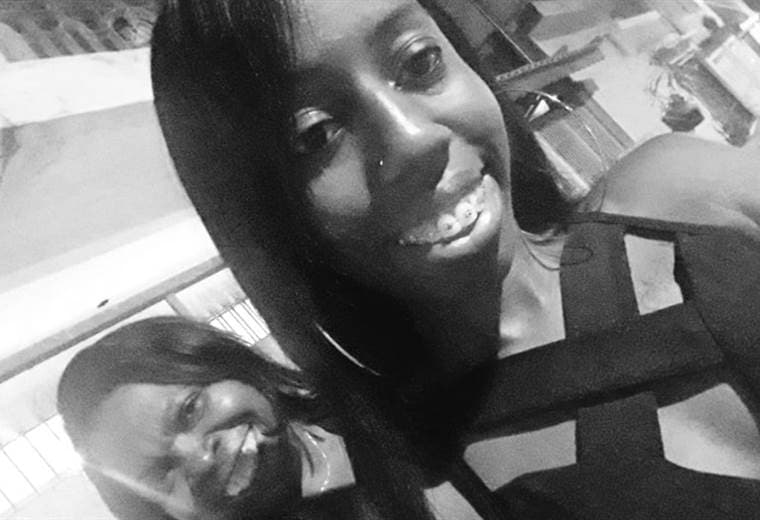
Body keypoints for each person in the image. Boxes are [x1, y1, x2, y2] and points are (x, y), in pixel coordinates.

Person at [150, 0, 760, 518]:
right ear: (271, 223)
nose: (414, 139)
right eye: (315, 135)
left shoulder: (682, 193)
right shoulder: (433, 495)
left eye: (420, 62)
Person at [57, 317, 442, 520]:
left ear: (234, 368)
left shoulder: (400, 419)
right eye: (161, 474)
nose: (202, 457)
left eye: (190, 409)